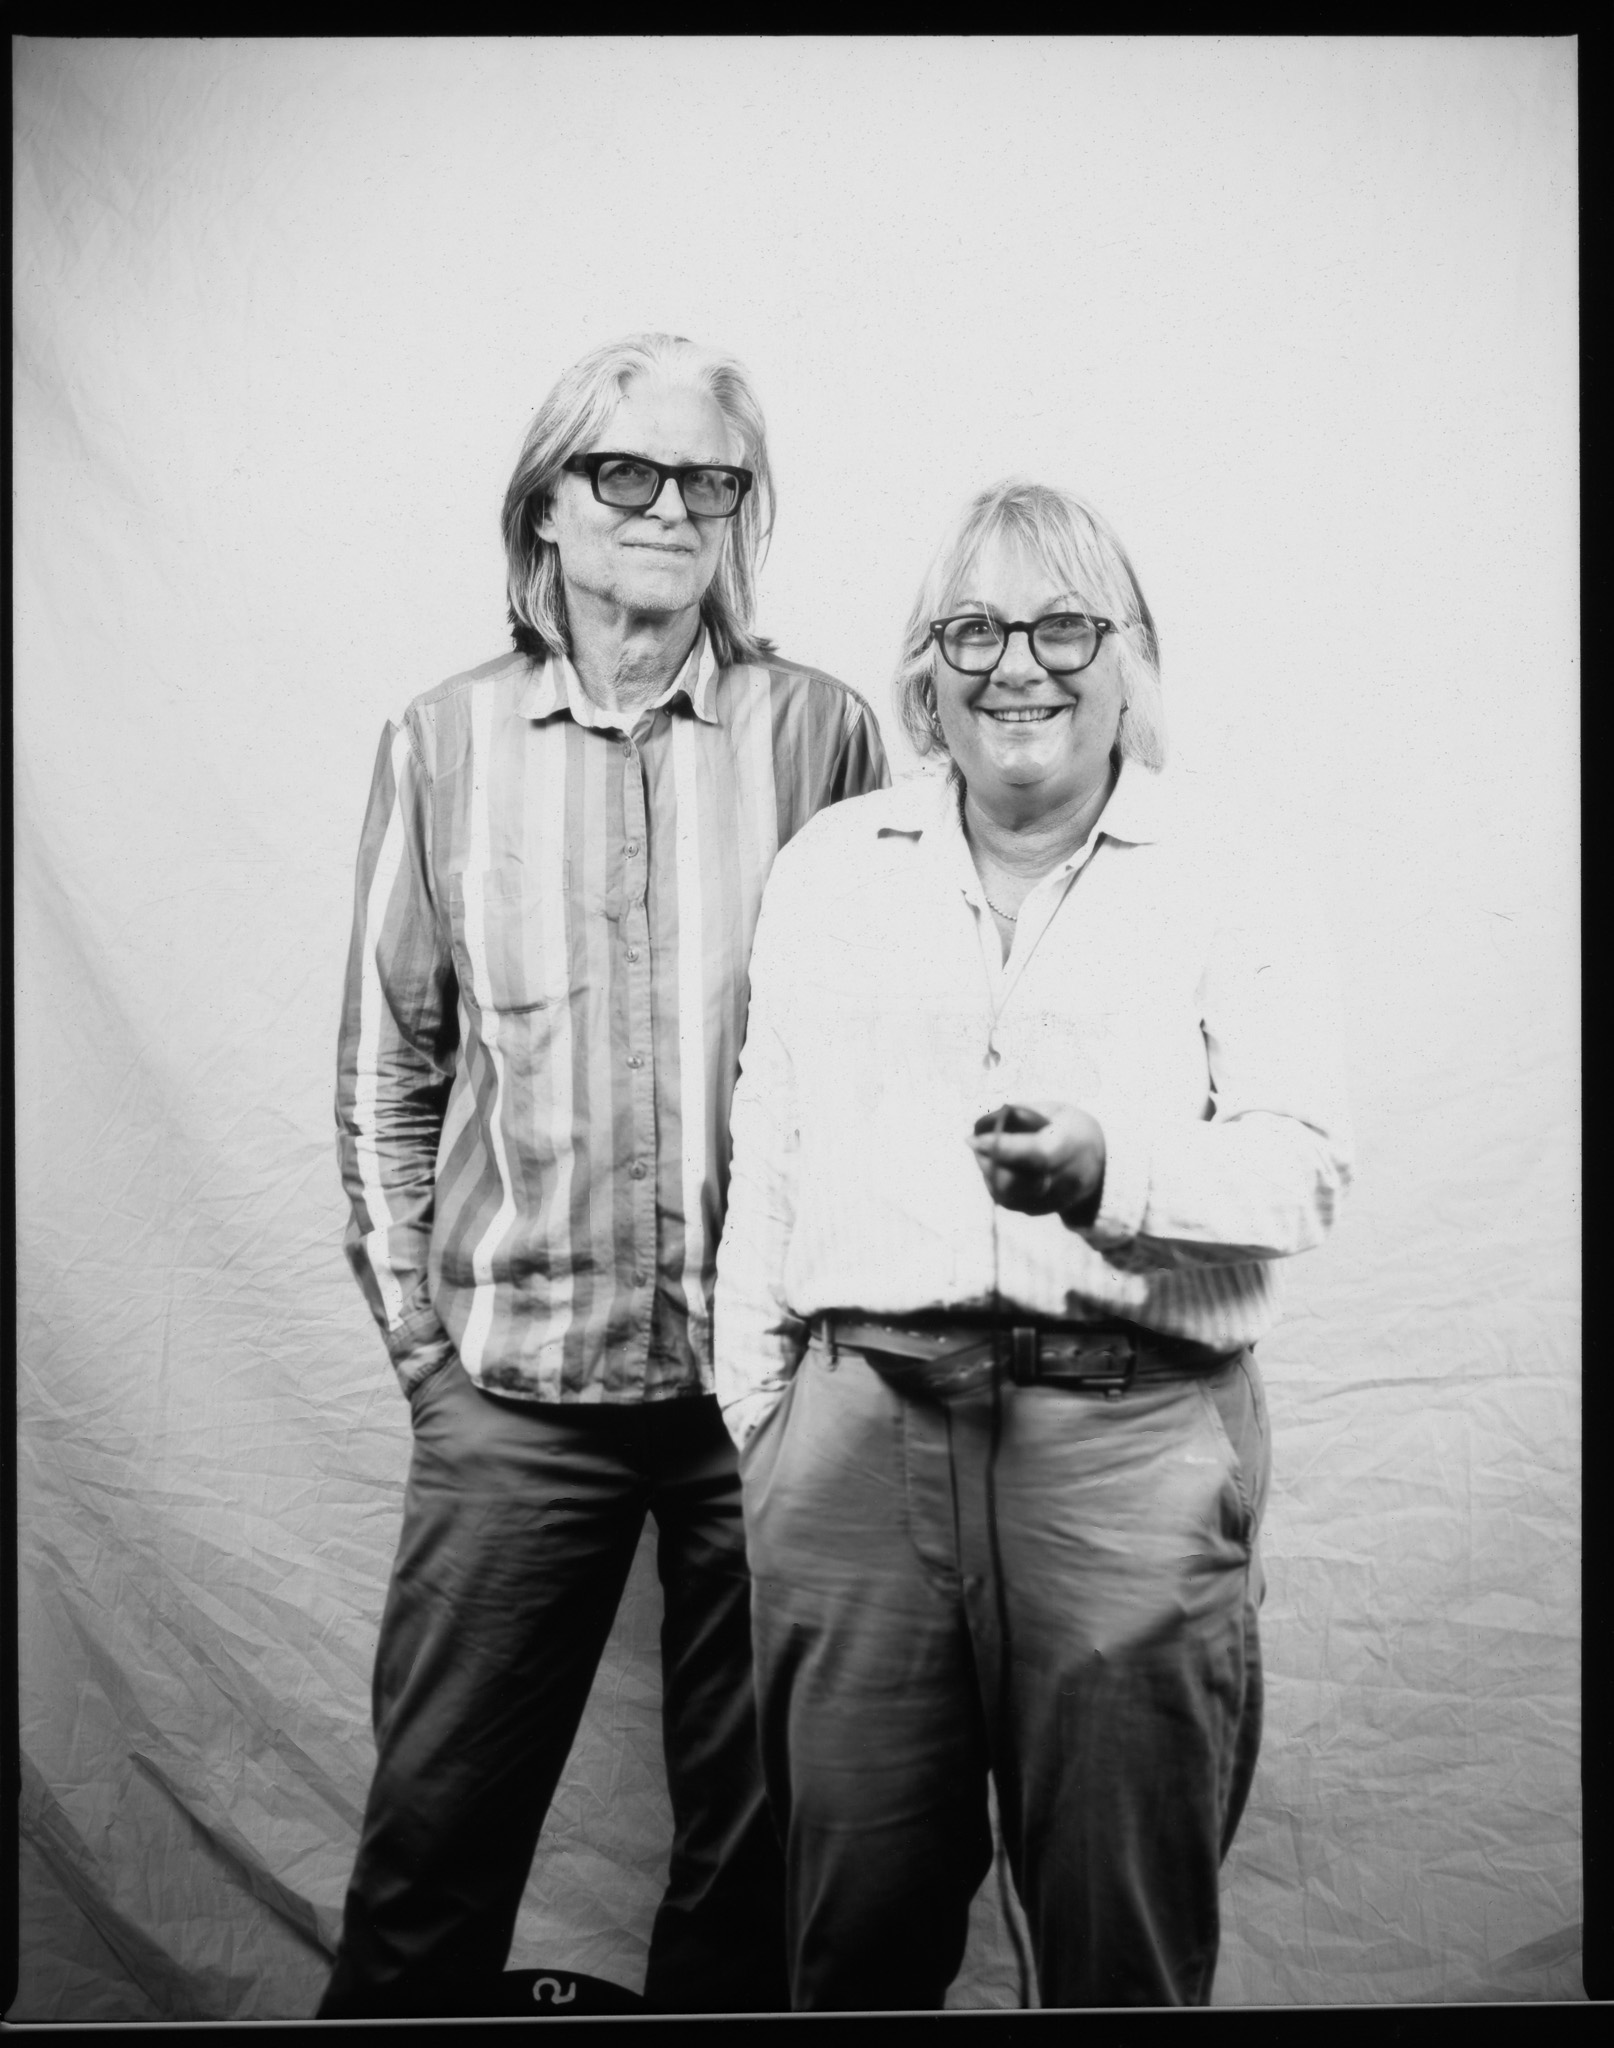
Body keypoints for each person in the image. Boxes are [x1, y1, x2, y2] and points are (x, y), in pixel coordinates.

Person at [713, 478, 1352, 2010]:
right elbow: (769, 1169)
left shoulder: (1225, 866)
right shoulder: (831, 867)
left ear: (1128, 657)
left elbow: (1302, 1171)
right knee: (850, 1946)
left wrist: (1107, 1174)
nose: (1020, 664)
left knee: (1116, 1949)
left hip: (1125, 1439)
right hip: (860, 1448)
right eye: (974, 629)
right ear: (922, 673)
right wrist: (768, 1435)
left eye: (1065, 623)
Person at [322, 332, 889, 2019]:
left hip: (763, 1405)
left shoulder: (821, 735)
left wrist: (830, 1368)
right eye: (620, 474)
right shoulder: (441, 742)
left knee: (758, 1853)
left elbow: (878, 1055)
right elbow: (384, 1075)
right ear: (544, 511)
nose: (663, 509)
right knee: (435, 1841)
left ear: (738, 517)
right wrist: (430, 1365)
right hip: (514, 1393)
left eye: (704, 480)